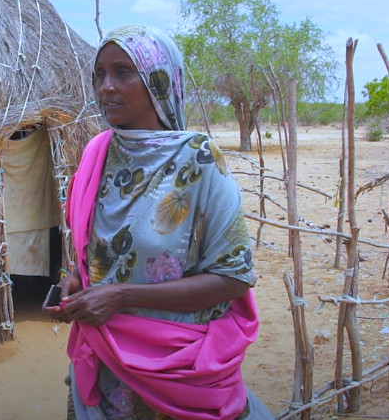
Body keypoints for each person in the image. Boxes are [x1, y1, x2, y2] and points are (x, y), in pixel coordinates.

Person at [42, 25, 273, 420]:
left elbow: (233, 279)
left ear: (159, 80)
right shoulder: (98, 152)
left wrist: (120, 296)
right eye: (99, 74)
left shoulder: (199, 160)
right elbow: (96, 255)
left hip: (179, 373)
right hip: (105, 366)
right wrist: (78, 282)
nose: (105, 87)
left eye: (123, 72)